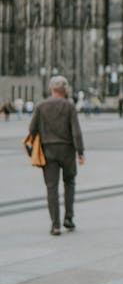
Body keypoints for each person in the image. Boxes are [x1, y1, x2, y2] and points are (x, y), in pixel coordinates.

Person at [29, 75, 85, 235]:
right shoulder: (69, 106)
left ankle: (55, 225)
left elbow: (32, 129)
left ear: (50, 89)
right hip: (67, 151)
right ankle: (69, 218)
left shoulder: (41, 106)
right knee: (69, 183)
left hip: (48, 151)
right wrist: (80, 151)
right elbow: (76, 132)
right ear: (65, 89)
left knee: (51, 187)